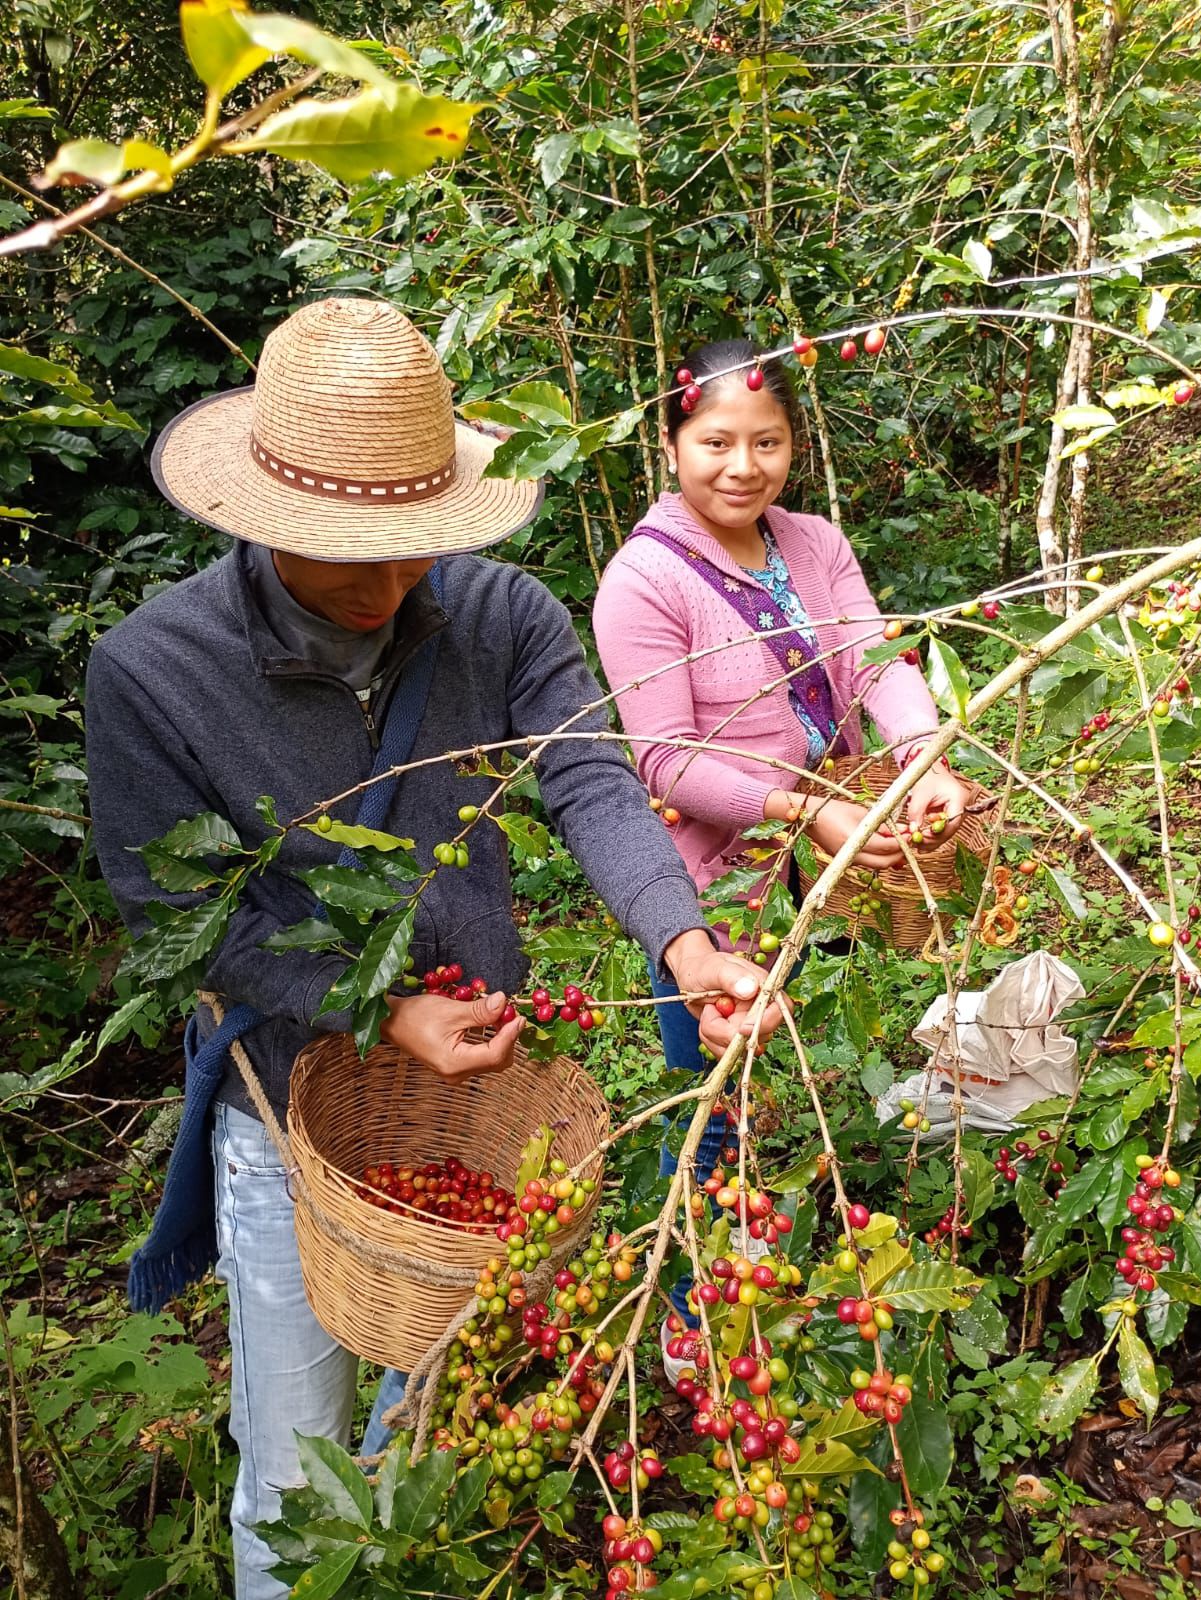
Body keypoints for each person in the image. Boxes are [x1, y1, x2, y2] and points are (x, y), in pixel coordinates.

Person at [84, 300, 787, 1600]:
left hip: (472, 1124)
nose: (392, 583)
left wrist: (685, 944)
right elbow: (173, 920)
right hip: (286, 1118)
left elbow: (588, 782)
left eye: (415, 546)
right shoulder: (154, 675)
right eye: (353, 552)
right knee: (299, 1477)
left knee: (425, 1433)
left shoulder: (500, 614)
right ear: (258, 517)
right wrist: (372, 1006)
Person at [592, 338, 970, 1337]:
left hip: (823, 858)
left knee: (790, 1067)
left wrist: (921, 752)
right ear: (671, 443)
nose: (741, 465)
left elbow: (871, 657)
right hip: (709, 887)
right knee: (714, 1091)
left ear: (793, 446)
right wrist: (807, 806)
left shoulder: (811, 542)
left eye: (766, 441)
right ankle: (686, 1315)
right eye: (714, 440)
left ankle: (771, 1261)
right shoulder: (643, 580)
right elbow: (663, 759)